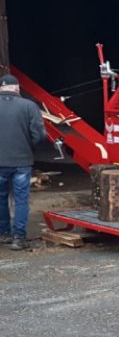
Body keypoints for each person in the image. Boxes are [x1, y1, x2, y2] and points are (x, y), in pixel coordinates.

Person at [0, 73, 46, 250]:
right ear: (17, 88)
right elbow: (39, 135)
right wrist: (30, 148)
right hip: (22, 161)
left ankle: (3, 233)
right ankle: (18, 238)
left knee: (1, 198)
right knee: (21, 199)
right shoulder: (29, 106)